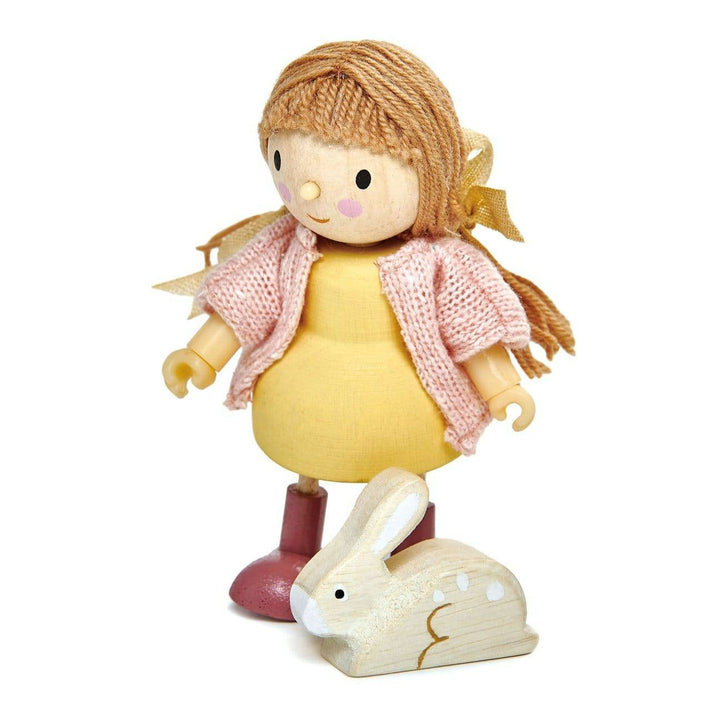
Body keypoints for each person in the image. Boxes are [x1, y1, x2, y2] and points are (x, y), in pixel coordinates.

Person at [160, 41, 574, 620]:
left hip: (409, 411)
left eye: (357, 177)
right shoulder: (285, 245)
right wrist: (200, 354)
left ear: (430, 173)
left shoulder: (440, 260)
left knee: (405, 487)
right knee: (307, 478)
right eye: (284, 163)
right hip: (303, 404)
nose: (309, 194)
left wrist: (502, 387)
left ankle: (409, 561)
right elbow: (242, 299)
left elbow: (473, 328)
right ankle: (297, 554)